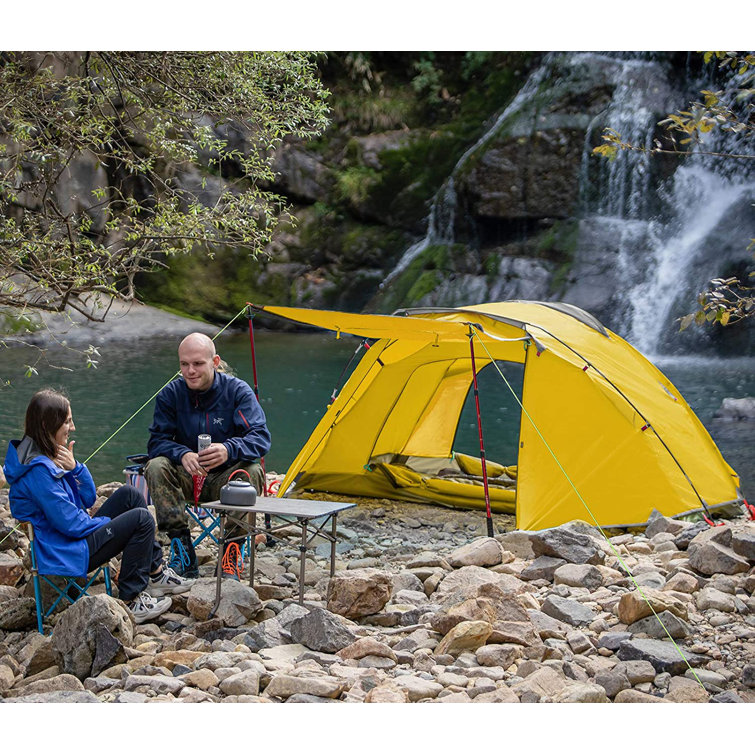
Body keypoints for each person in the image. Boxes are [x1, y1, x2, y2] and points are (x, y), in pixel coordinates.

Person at [3, 389, 194, 625]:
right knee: (142, 520)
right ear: (47, 424)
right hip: (66, 550)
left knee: (130, 495)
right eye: (67, 421)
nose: (72, 427)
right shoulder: (38, 472)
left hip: (72, 539)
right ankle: (132, 600)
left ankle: (155, 575)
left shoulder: (49, 455)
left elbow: (88, 498)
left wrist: (75, 467)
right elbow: (70, 524)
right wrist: (108, 525)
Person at [145, 332, 271, 578]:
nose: (190, 371)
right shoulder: (170, 394)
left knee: (252, 471)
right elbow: (156, 442)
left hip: (226, 481)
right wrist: (181, 454)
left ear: (215, 362)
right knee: (156, 465)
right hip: (186, 480)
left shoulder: (237, 392)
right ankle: (182, 549)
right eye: (184, 364)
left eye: (198, 364)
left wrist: (228, 449)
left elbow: (261, 438)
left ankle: (232, 550)